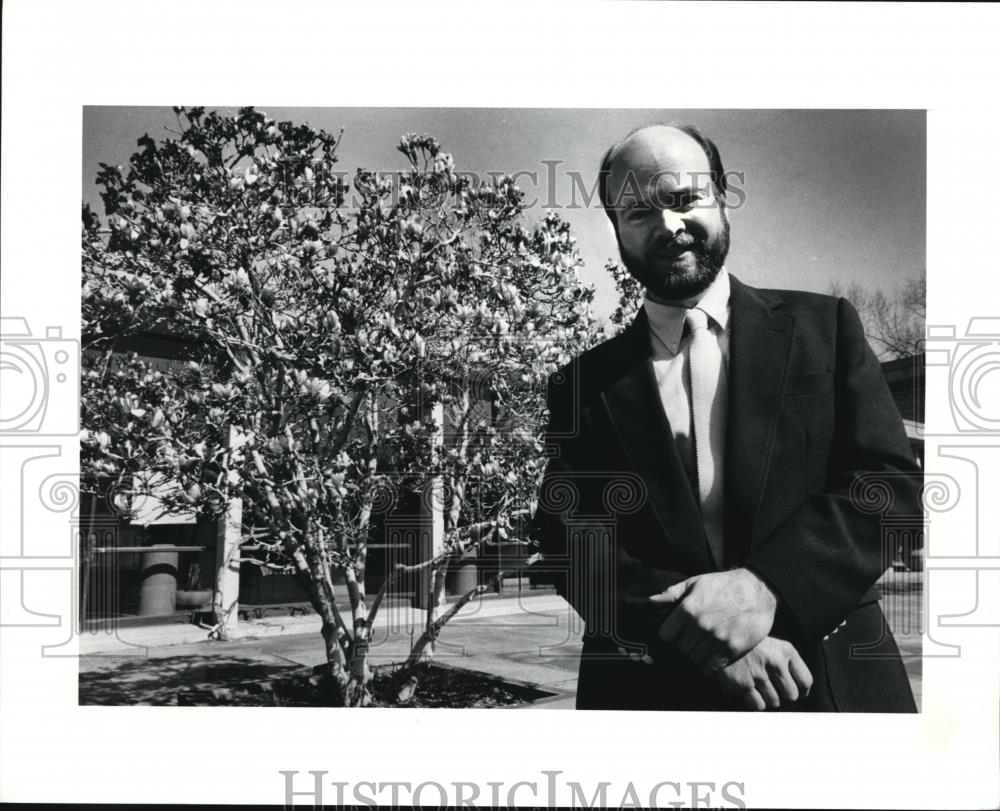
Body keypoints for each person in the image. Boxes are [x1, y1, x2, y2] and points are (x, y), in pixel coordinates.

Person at [533, 124, 920, 711]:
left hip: (834, 684)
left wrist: (766, 589)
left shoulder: (827, 330)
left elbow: (887, 488)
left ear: (720, 201)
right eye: (638, 212)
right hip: (652, 696)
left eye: (684, 199)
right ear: (617, 232)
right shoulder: (583, 383)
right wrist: (711, 640)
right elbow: (570, 540)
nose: (667, 224)